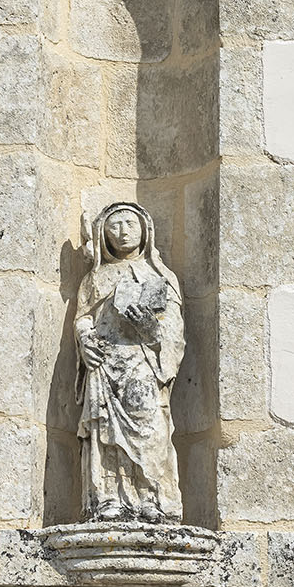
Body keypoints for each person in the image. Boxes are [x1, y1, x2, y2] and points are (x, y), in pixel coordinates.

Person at [74, 202, 186, 522]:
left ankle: (150, 494)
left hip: (142, 364)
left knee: (149, 426)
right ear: (103, 234)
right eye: (115, 225)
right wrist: (84, 340)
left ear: (145, 231)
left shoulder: (159, 276)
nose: (123, 231)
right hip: (104, 362)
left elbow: (173, 329)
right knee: (105, 429)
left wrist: (151, 329)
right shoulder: (95, 279)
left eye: (130, 224)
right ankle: (107, 495)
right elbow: (83, 318)